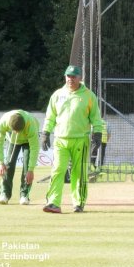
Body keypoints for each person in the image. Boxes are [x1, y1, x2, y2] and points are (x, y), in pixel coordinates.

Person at [41, 65, 102, 213]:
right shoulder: (57, 95)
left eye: (74, 76)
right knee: (57, 170)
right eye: (68, 76)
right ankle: (54, 203)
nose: (71, 79)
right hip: (60, 139)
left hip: (80, 139)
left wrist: (98, 134)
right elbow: (50, 116)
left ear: (80, 78)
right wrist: (45, 133)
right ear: (65, 77)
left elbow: (96, 118)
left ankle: (78, 203)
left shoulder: (88, 95)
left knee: (79, 173)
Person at [0, 110, 40, 205]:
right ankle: (4, 194)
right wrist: (0, 162)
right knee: (8, 165)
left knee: (27, 167)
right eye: (14, 131)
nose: (17, 133)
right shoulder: (3, 121)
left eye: (18, 131)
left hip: (28, 141)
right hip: (12, 141)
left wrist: (31, 169)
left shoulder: (31, 124)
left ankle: (24, 195)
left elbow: (35, 148)